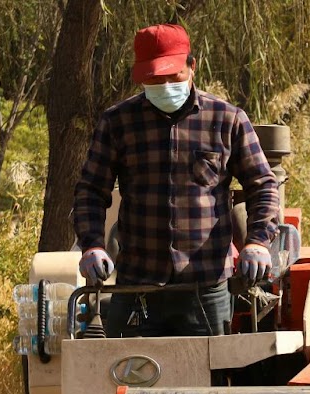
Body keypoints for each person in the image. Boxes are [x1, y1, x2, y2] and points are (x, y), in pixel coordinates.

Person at [73, 23, 281, 337]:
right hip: (137, 286)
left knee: (207, 383)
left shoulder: (227, 120)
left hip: (205, 288)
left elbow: (262, 185)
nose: (165, 86)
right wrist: (92, 245)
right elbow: (91, 189)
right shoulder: (118, 123)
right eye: (155, 80)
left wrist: (257, 242)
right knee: (128, 376)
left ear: (191, 66)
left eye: (173, 76)